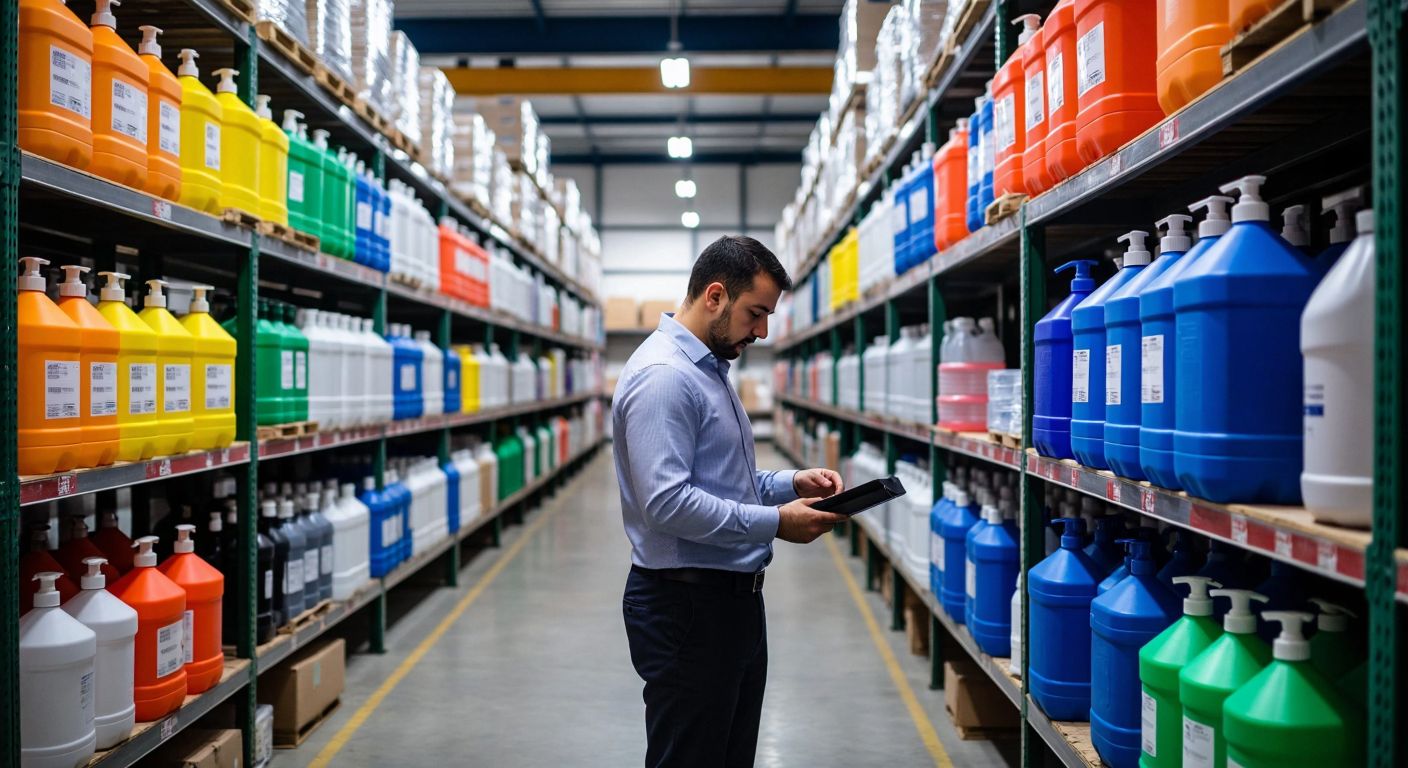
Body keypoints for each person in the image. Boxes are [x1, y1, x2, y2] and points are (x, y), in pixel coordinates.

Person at [613, 235, 848, 768]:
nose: (762, 331)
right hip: (689, 607)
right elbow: (667, 503)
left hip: (729, 600)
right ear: (715, 296)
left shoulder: (709, 371)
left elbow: (723, 482)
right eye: (756, 313)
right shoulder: (666, 379)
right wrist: (775, 523)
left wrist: (792, 484)